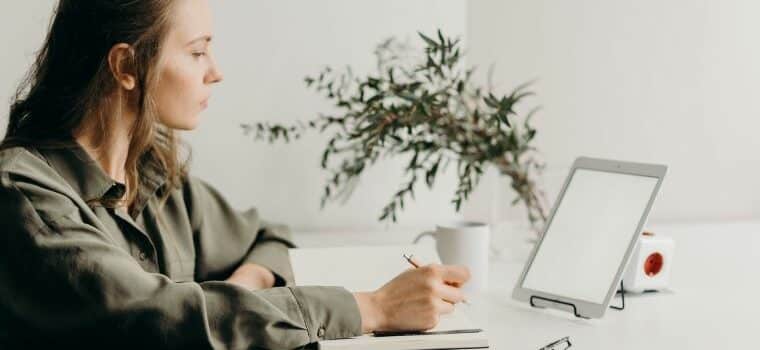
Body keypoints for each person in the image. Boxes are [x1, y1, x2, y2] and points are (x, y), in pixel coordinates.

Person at [0, 1, 471, 348]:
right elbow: (155, 318)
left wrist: (241, 292)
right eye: (198, 52)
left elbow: (268, 239)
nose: (216, 72)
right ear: (127, 66)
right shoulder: (23, 196)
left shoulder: (155, 175)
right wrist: (374, 308)